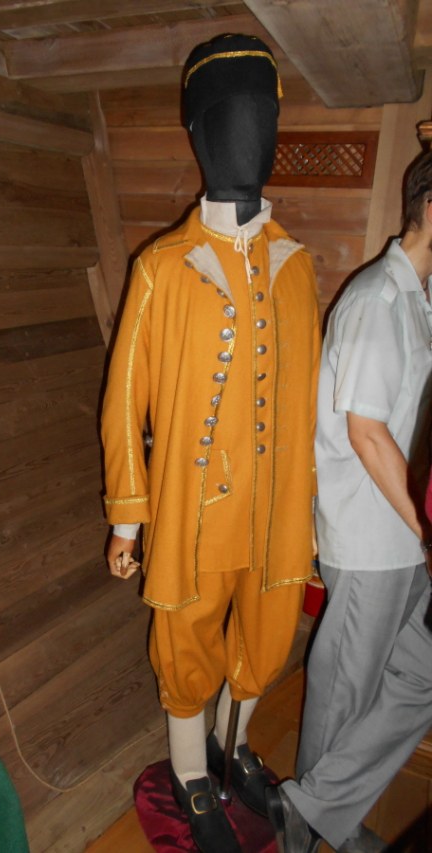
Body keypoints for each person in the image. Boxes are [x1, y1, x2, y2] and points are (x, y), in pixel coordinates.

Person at [100, 33, 321, 853]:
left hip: (276, 510)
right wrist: (128, 519)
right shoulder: (162, 266)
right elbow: (124, 398)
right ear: (199, 131)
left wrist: (318, 506)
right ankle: (192, 772)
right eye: (232, 116)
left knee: (267, 636)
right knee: (185, 644)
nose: (249, 135)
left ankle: (232, 747)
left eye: (263, 117)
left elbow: (312, 400)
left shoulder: (297, 265)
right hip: (194, 511)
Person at [266, 150, 432, 853]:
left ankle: (315, 808)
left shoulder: (420, 299)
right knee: (344, 694)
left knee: (420, 676)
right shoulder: (377, 302)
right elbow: (366, 433)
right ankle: (307, 832)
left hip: (408, 536)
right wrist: (427, 530)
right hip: (373, 539)